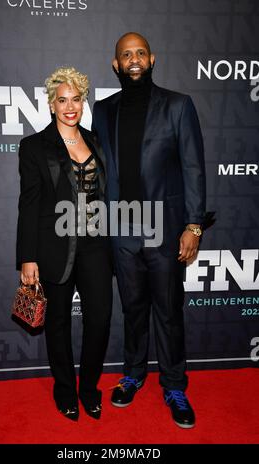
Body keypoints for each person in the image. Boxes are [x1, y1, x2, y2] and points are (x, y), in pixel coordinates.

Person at [92, 33, 206, 428]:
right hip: (121, 231)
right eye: (126, 54)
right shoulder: (102, 110)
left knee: (169, 312)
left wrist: (193, 225)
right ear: (116, 64)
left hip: (165, 229)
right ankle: (134, 373)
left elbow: (193, 168)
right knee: (133, 309)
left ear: (152, 59)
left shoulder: (178, 106)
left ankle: (174, 385)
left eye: (140, 53)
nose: (134, 59)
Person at [16, 67, 112, 421]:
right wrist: (27, 258)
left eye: (76, 99)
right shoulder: (34, 146)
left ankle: (88, 389)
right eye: (62, 100)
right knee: (57, 323)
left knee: (99, 319)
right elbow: (28, 204)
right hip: (54, 247)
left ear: (83, 101)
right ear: (52, 104)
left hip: (97, 247)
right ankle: (65, 390)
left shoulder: (98, 141)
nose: (70, 106)